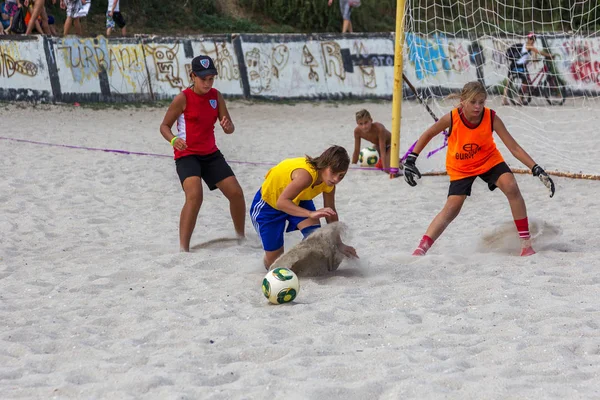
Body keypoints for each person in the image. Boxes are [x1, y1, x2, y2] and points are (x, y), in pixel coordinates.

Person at [403, 81, 555, 257]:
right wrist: (411, 159)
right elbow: (428, 134)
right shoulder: (452, 117)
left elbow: (514, 147)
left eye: (481, 102)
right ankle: (421, 248)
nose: (477, 106)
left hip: (488, 160)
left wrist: (536, 168)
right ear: (463, 101)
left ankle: (526, 245)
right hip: (461, 166)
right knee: (452, 208)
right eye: (473, 102)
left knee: (512, 187)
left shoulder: (491, 117)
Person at [159, 55, 246, 252]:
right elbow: (164, 126)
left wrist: (228, 126)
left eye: (211, 78)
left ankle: (241, 238)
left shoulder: (216, 96)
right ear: (193, 76)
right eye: (203, 78)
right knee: (195, 195)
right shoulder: (182, 98)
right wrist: (173, 139)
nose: (207, 83)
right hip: (187, 154)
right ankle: (183, 248)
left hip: (210, 154)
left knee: (236, 193)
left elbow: (229, 128)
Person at [250, 145, 359, 269]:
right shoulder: (306, 175)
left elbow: (331, 211)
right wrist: (310, 214)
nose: (336, 179)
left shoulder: (329, 183)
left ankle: (304, 265)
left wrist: (339, 243)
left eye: (341, 175)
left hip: (299, 199)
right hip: (269, 205)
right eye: (333, 172)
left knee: (317, 240)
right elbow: (282, 203)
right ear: (324, 164)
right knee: (274, 264)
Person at [502, 32, 552, 105]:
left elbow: (529, 58)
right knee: (525, 82)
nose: (532, 40)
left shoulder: (525, 46)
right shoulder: (529, 46)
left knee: (508, 83)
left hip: (513, 65)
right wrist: (549, 55)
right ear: (528, 39)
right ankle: (520, 99)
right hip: (520, 66)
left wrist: (535, 60)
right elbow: (539, 52)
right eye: (531, 39)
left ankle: (504, 100)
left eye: (533, 39)